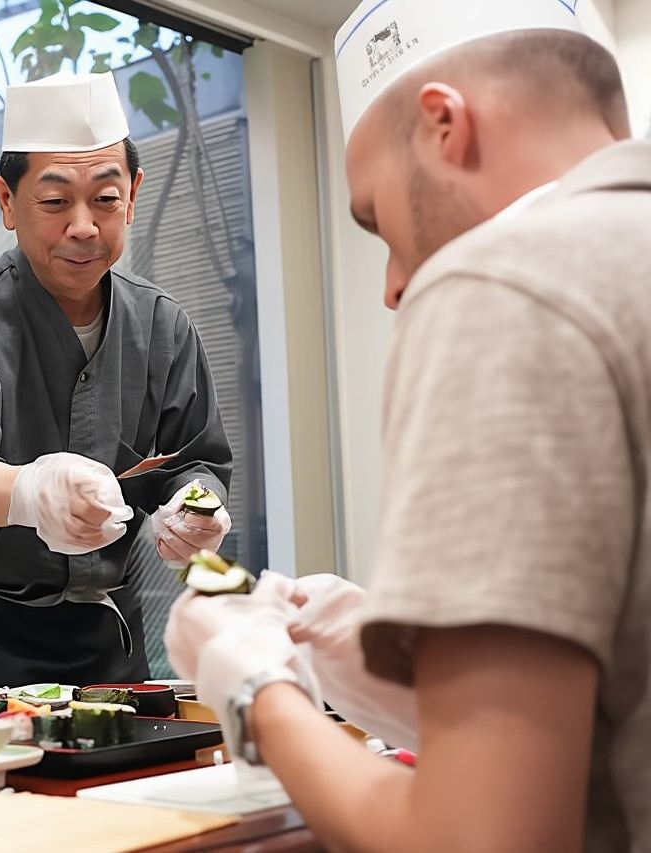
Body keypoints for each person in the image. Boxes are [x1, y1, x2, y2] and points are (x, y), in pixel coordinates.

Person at [165, 0, 651, 848]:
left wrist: (253, 684)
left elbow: (477, 841)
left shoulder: (501, 287)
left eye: (379, 219)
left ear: (443, 125)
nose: (393, 285)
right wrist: (404, 669)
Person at [0, 72, 234, 686]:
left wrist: (197, 510)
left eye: (105, 199)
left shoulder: (163, 325)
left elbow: (195, 460)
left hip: (105, 632)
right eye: (55, 203)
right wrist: (30, 492)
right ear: (7, 201)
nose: (83, 226)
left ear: (132, 196)